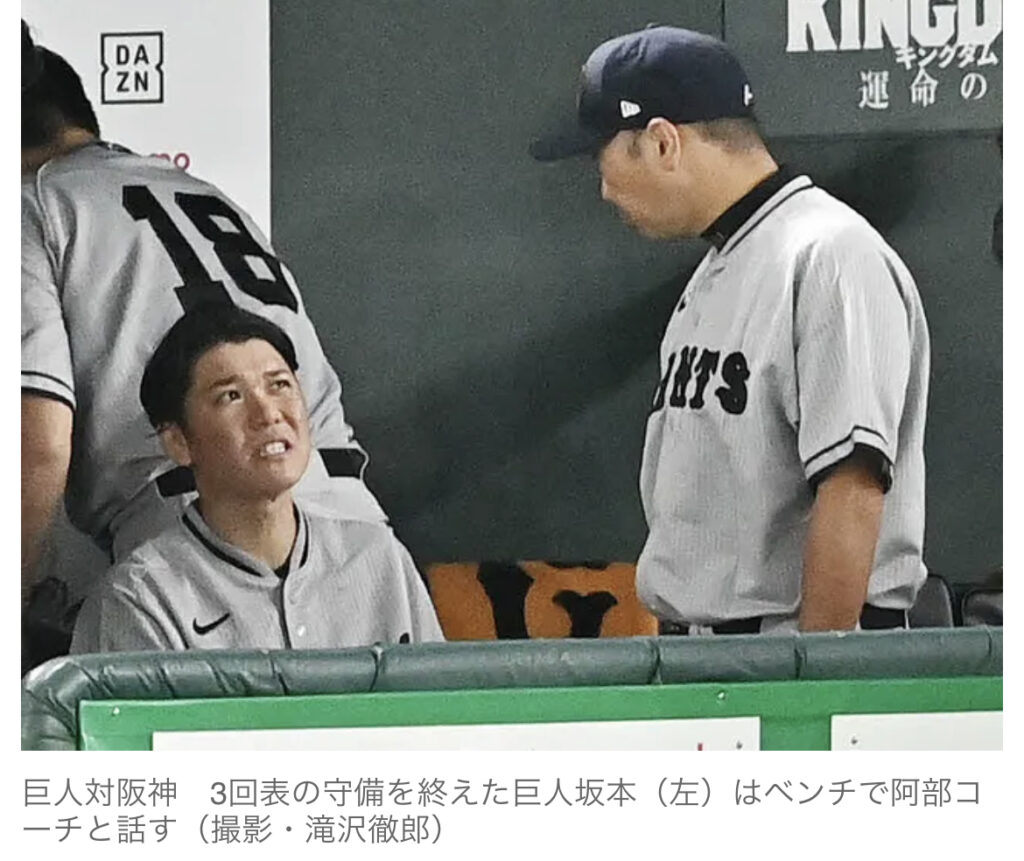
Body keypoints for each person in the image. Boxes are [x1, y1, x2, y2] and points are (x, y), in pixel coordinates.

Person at [531, 26, 929, 633]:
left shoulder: (829, 255)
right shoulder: (726, 263)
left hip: (789, 649)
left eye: (601, 158)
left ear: (662, 142)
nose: (605, 189)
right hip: (723, 653)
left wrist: (818, 677)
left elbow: (852, 489)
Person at [21, 21, 386, 638]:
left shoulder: (31, 206)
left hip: (207, 542)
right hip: (355, 538)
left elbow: (38, 444)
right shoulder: (201, 192)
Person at [71, 305, 444, 652]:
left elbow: (441, 697)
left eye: (279, 385)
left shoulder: (378, 555)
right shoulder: (142, 598)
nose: (267, 413)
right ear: (179, 442)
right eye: (231, 396)